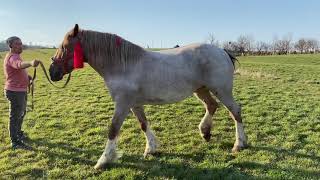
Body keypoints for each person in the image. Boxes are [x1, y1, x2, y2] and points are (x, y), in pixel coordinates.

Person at [3, 36, 40, 150]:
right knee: (15, 116)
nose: (21, 45)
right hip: (14, 92)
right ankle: (15, 142)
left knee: (21, 113)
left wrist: (27, 77)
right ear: (11, 46)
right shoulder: (12, 57)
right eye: (17, 44)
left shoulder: (16, 56)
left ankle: (18, 134)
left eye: (21, 43)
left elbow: (18, 70)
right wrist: (30, 63)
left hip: (20, 90)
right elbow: (18, 65)